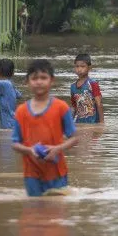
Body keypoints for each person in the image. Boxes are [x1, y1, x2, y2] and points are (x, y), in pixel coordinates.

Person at [11, 60, 78, 196]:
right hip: (31, 173)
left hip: (57, 171)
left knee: (57, 212)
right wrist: (29, 150)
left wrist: (57, 149)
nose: (39, 82)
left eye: (43, 78)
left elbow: (74, 138)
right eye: (34, 78)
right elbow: (15, 143)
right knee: (34, 210)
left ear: (51, 80)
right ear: (27, 82)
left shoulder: (61, 107)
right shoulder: (21, 111)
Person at [70, 53, 104, 124]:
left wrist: (102, 123)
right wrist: (69, 123)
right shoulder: (73, 87)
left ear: (89, 68)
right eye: (77, 66)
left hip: (93, 122)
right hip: (79, 122)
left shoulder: (92, 84)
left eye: (82, 66)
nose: (79, 69)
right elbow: (74, 107)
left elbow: (99, 103)